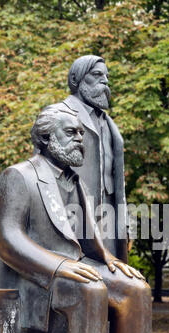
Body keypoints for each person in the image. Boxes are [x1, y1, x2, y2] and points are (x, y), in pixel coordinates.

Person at [0, 103, 169, 333]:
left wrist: (111, 261)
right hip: (33, 274)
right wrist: (56, 266)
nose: (80, 140)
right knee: (90, 290)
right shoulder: (18, 176)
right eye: (71, 133)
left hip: (73, 266)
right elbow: (3, 238)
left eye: (80, 134)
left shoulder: (77, 182)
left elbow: (86, 238)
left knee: (136, 289)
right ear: (46, 138)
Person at [62, 55, 128, 261]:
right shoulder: (60, 114)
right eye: (97, 75)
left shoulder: (109, 124)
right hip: (73, 216)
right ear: (76, 80)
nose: (105, 81)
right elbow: (42, 172)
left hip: (108, 218)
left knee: (113, 283)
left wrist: (124, 222)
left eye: (107, 76)